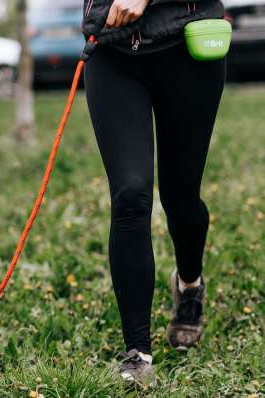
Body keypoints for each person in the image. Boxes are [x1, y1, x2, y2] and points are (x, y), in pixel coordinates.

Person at [81, 0, 226, 385]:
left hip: (188, 49)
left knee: (180, 197)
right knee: (130, 195)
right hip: (112, 54)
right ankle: (137, 352)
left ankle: (189, 285)